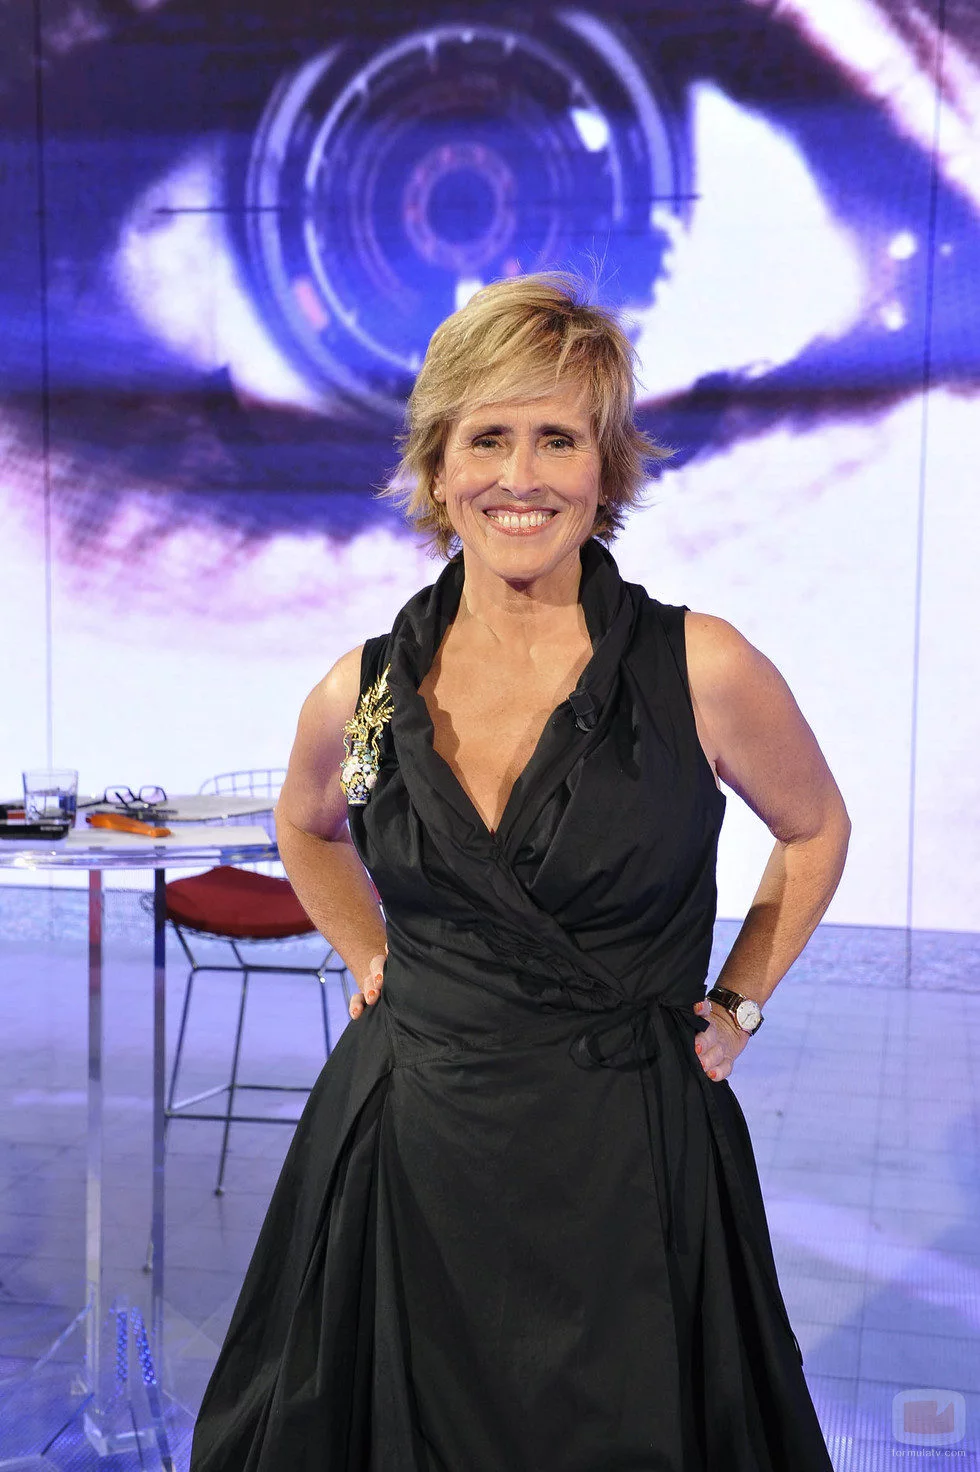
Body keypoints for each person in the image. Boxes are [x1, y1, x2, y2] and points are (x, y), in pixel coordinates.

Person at [189, 273, 850, 1471]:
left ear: (605, 469)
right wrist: (368, 950)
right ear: (437, 467)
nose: (520, 475)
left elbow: (813, 828)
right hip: (411, 1148)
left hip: (623, 1151)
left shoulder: (698, 666)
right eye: (486, 437)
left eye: (558, 438)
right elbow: (307, 824)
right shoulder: (367, 690)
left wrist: (740, 1001)